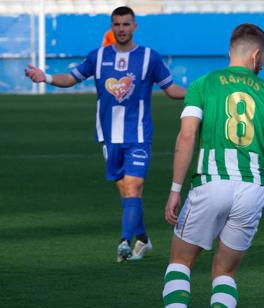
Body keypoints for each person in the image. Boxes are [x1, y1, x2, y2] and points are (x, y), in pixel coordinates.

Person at [151, 23, 264, 308]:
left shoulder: (203, 84)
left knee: (181, 261)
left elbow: (186, 137)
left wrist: (175, 189)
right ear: (256, 55)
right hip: (252, 190)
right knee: (225, 270)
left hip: (211, 183)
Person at [24, 6, 186, 262]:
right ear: (112, 27)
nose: (121, 29)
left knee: (134, 187)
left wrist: (199, 95)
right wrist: (47, 77)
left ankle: (124, 242)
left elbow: (171, 89)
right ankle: (143, 239)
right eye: (117, 25)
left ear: (135, 26)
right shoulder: (97, 57)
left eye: (126, 24)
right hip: (109, 136)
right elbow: (72, 78)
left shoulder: (149, 58)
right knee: (126, 193)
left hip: (138, 136)